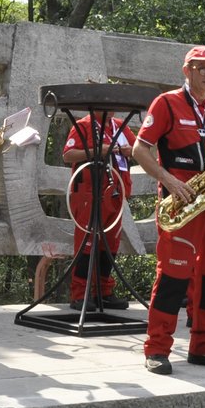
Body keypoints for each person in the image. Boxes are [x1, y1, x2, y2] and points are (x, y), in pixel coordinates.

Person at [132, 46, 205, 375]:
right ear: (187, 70)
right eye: (202, 68)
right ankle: (158, 348)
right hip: (181, 203)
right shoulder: (167, 103)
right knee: (174, 277)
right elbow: (140, 149)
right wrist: (169, 180)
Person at [59, 106, 134, 312]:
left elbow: (137, 149)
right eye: (106, 106)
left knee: (110, 244)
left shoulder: (119, 126)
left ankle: (104, 292)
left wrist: (130, 151)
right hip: (89, 193)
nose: (112, 110)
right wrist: (97, 151)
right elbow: (68, 155)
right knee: (86, 244)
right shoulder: (83, 125)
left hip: (115, 193)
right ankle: (80, 294)